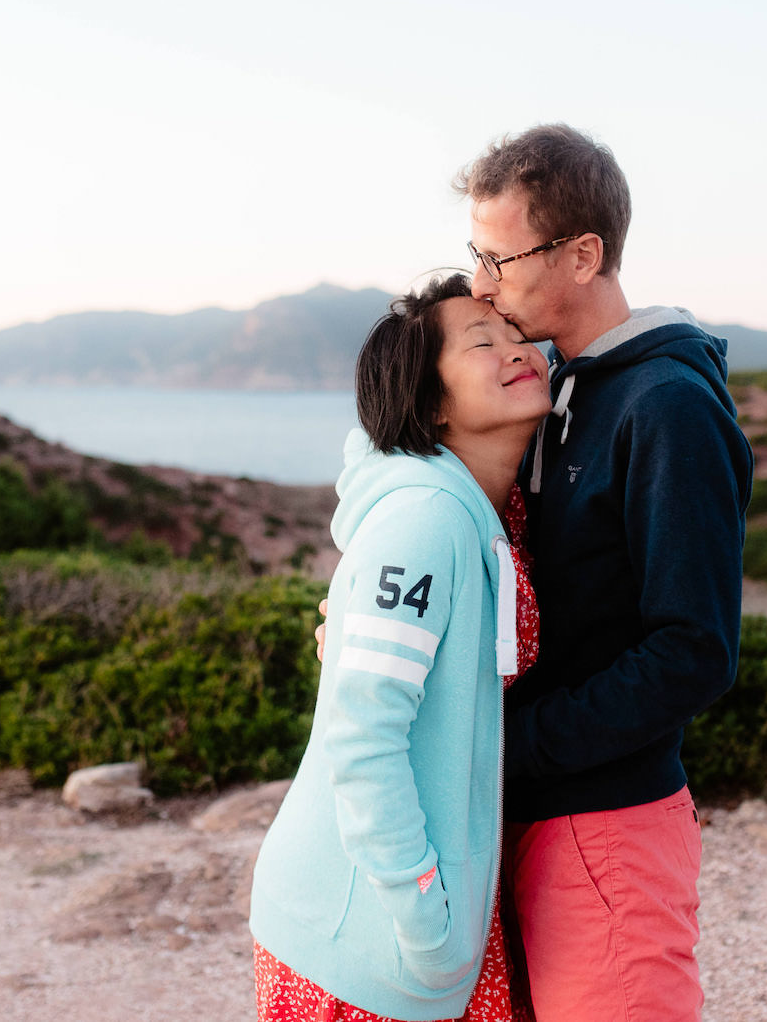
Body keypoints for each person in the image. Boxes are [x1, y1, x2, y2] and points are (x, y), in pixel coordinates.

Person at [461, 124, 753, 1022]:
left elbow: (692, 651)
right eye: (474, 255)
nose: (482, 285)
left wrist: (515, 744)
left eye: (499, 259)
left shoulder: (666, 405)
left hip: (609, 825)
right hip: (533, 815)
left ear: (582, 254)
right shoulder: (548, 389)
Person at [250, 273, 547, 1022]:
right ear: (433, 403)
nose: (517, 349)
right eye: (484, 342)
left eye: (517, 334)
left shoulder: (488, 519)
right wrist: (427, 921)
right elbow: (362, 736)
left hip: (417, 934)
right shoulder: (423, 521)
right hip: (365, 943)